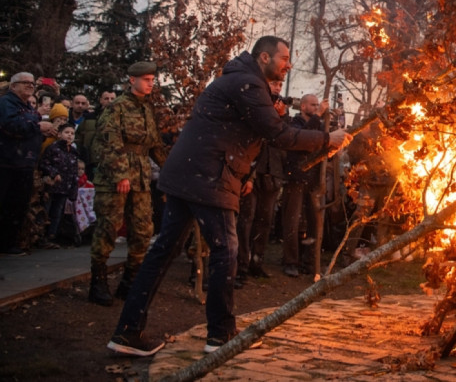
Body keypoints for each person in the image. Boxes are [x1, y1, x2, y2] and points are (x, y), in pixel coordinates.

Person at [107, 36, 352, 357]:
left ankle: (127, 333)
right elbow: (277, 135)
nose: (288, 64)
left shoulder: (241, 81)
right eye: (284, 57)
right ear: (264, 57)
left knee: (163, 252)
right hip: (208, 177)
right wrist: (326, 139)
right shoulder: (248, 85)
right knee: (226, 251)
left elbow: (247, 131)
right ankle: (221, 336)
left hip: (189, 173)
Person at [88, 62, 168, 306]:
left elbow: (154, 146)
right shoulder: (116, 108)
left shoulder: (147, 109)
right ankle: (98, 283)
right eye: (145, 79)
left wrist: (172, 169)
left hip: (141, 178)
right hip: (116, 178)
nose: (150, 83)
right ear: (131, 80)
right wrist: (121, 175)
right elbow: (109, 142)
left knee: (143, 231)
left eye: (152, 79)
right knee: (108, 228)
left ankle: (129, 282)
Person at [235, 79, 288, 284]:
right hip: (253, 174)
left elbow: (285, 139)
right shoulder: (256, 106)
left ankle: (257, 262)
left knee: (265, 221)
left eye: (279, 85)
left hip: (273, 173)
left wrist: (282, 116)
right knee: (246, 221)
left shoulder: (281, 113)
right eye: (274, 83)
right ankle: (241, 266)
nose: (277, 88)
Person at [0, 73, 56, 255]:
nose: (30, 86)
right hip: (7, 162)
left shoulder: (27, 107)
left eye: (32, 83)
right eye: (25, 83)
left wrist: (42, 133)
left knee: (17, 206)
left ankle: (8, 244)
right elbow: (11, 125)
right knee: (5, 204)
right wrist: (37, 126)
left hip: (24, 162)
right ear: (13, 86)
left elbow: (28, 128)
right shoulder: (6, 104)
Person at [280, 93, 326, 277]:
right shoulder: (294, 123)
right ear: (304, 107)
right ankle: (290, 261)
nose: (316, 108)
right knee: (292, 220)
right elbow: (303, 138)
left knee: (314, 222)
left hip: (313, 180)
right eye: (313, 105)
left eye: (317, 105)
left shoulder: (318, 124)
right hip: (296, 177)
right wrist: (318, 117)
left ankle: (310, 261)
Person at [38, 123, 82, 245]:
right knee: (46, 211)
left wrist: (73, 190)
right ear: (59, 134)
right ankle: (41, 236)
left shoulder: (73, 151)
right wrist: (54, 173)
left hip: (65, 187)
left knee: (57, 213)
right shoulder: (53, 148)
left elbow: (74, 172)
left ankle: (52, 236)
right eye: (67, 133)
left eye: (72, 133)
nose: (69, 135)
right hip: (51, 186)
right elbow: (44, 163)